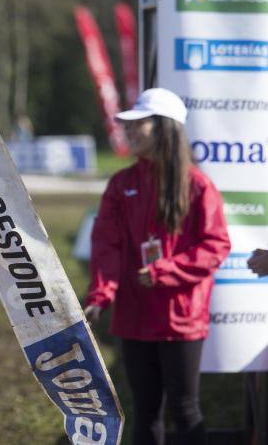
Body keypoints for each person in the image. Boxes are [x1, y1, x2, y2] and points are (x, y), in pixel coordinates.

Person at [84, 88, 230, 445]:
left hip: (181, 318)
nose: (130, 132)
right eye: (128, 125)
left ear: (165, 128)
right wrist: (100, 296)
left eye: (139, 125)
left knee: (185, 409)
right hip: (134, 317)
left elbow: (216, 245)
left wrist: (165, 271)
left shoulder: (198, 185)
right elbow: (107, 245)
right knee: (145, 410)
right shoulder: (122, 184)